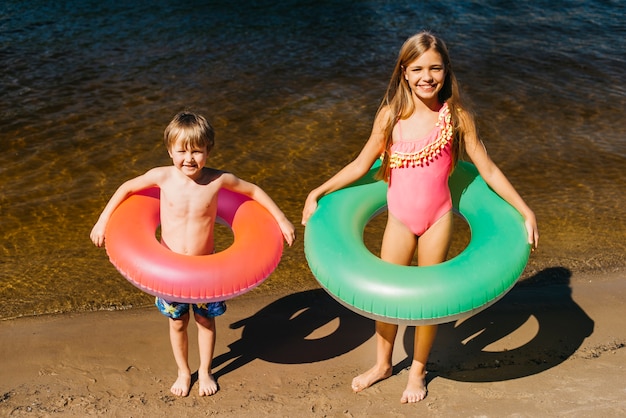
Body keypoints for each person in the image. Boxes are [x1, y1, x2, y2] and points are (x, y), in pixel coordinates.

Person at [301, 31, 539, 403]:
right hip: (399, 220)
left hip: (438, 220)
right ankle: (383, 364)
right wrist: (318, 191)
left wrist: (526, 210)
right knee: (385, 300)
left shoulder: (455, 117)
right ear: (404, 72)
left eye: (435, 68)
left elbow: (488, 169)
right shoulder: (390, 116)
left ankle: (418, 370)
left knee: (428, 301)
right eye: (418, 69)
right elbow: (362, 164)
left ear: (446, 71)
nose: (427, 77)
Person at [91, 111, 295, 397]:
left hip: (206, 270)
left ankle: (206, 371)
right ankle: (184, 372)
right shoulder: (161, 177)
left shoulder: (218, 180)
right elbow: (126, 188)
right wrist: (102, 221)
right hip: (169, 270)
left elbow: (254, 191)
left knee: (205, 322)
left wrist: (282, 219)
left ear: (208, 151)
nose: (189, 158)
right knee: (177, 323)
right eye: (181, 151)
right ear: (169, 151)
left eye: (197, 151)